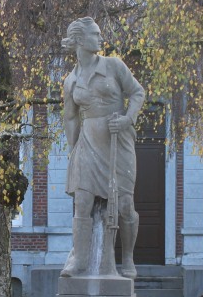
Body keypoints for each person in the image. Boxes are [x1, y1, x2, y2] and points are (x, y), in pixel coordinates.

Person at [60, 17, 145, 279]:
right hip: (88, 141)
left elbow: (138, 93)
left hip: (117, 140)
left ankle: (128, 259)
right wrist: (74, 150)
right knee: (83, 202)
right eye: (95, 35)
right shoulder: (71, 81)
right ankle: (80, 260)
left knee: (124, 205)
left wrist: (127, 118)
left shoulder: (113, 65)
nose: (100, 38)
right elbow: (71, 117)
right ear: (79, 41)